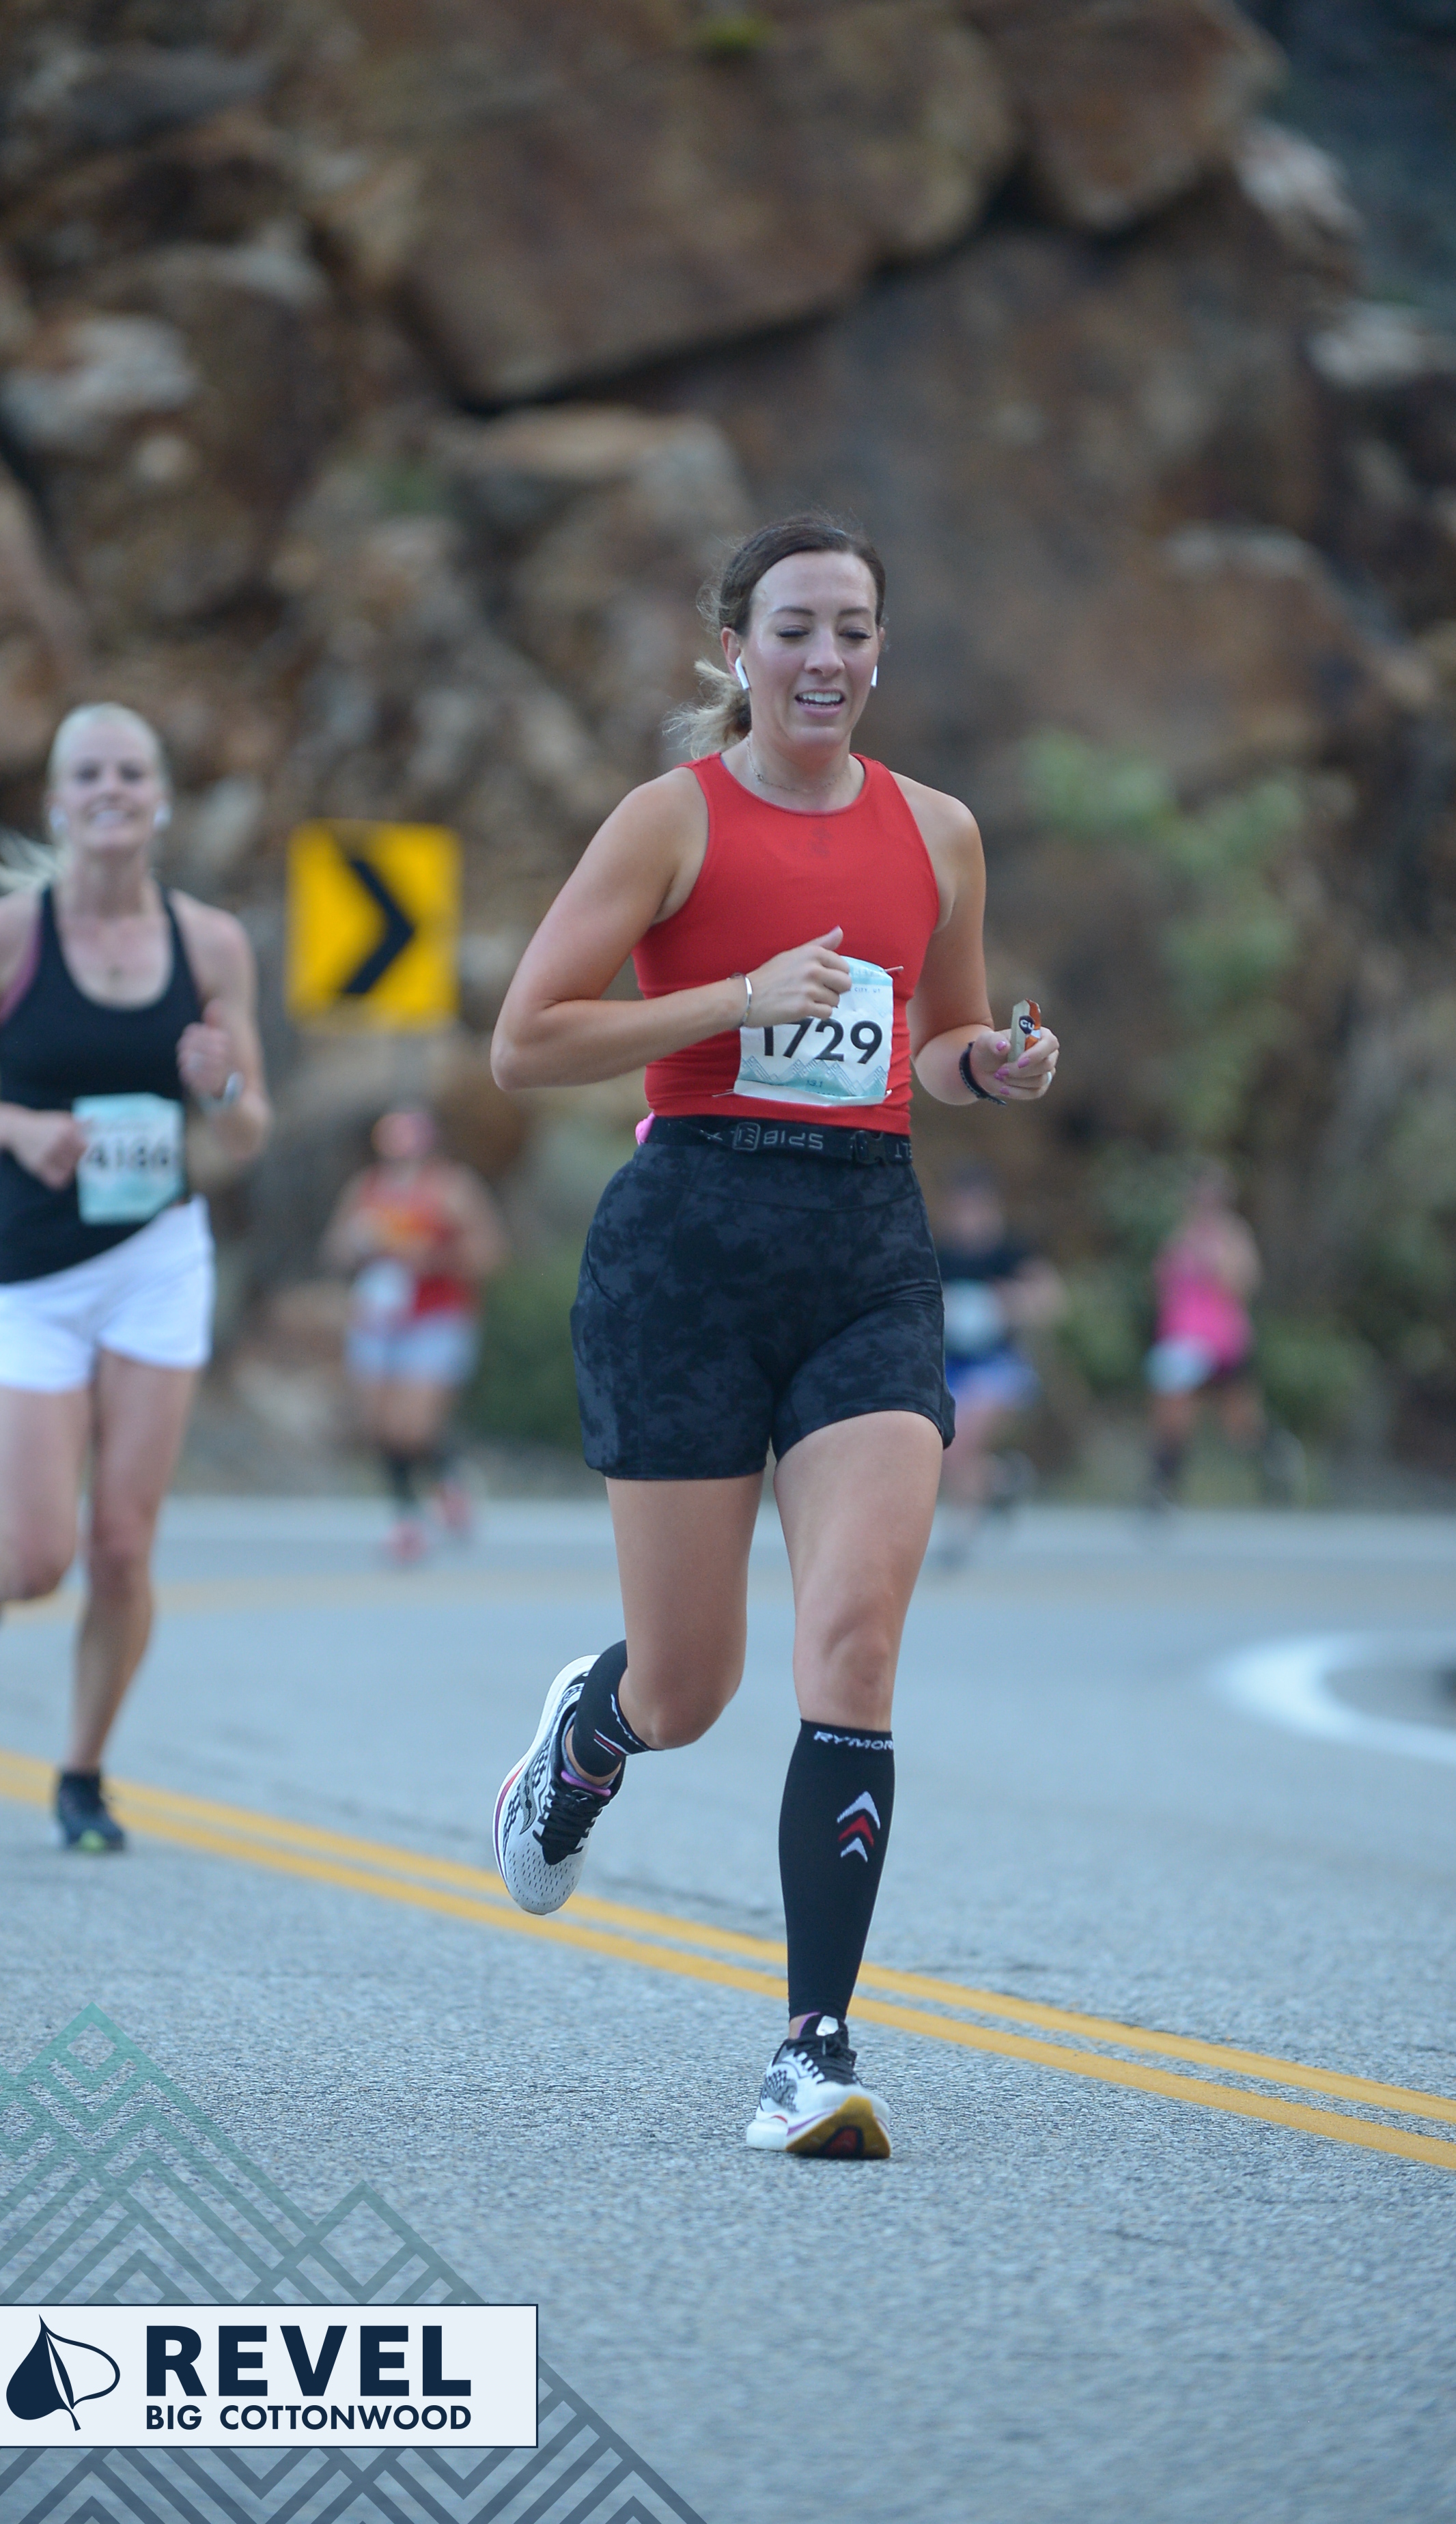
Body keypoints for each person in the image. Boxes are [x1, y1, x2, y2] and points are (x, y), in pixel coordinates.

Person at [488, 513, 1058, 2157]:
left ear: (881, 650)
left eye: (851, 630)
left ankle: (811, 2050)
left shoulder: (936, 831)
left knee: (854, 1643)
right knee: (686, 1689)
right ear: (736, 649)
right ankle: (587, 1739)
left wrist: (987, 1065)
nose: (824, 659)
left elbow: (937, 1036)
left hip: (864, 1253)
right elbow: (527, 1041)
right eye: (793, 629)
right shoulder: (670, 819)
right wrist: (737, 997)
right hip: (685, 1248)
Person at [0, 702, 270, 1851]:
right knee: (41, 1554)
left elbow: (249, 1127)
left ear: (161, 801)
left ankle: (82, 1774)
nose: (112, 789)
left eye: (132, 773)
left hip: (156, 1259)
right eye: (90, 774)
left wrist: (220, 1085)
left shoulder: (210, 945)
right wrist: (15, 1129)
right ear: (59, 804)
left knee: (120, 1545)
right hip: (33, 1274)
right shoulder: (5, 941)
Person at [321, 1104, 509, 1560]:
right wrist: (361, 1244)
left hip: (435, 1317)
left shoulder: (453, 1188)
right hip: (378, 1319)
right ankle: (406, 1517)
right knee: (378, 1424)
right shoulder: (366, 1188)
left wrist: (435, 1257)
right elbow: (335, 1249)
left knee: (414, 1426)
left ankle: (449, 1476)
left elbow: (491, 1253)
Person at [1144, 1163, 1298, 1506]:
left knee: (1239, 1425)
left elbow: (1244, 1284)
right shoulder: (1179, 1237)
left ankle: (1275, 1458)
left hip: (1223, 1345)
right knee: (1172, 1413)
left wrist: (1211, 1261)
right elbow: (1161, 1288)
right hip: (1181, 1343)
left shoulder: (1234, 1236)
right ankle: (1162, 1486)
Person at [933, 1164, 1065, 1553]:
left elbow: (1051, 1300)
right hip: (951, 1366)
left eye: (977, 1208)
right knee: (949, 1448)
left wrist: (1011, 1302)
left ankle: (961, 1532)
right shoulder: (939, 1254)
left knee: (964, 1438)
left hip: (999, 1365)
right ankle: (1003, 1480)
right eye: (961, 1209)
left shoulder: (1011, 1253)